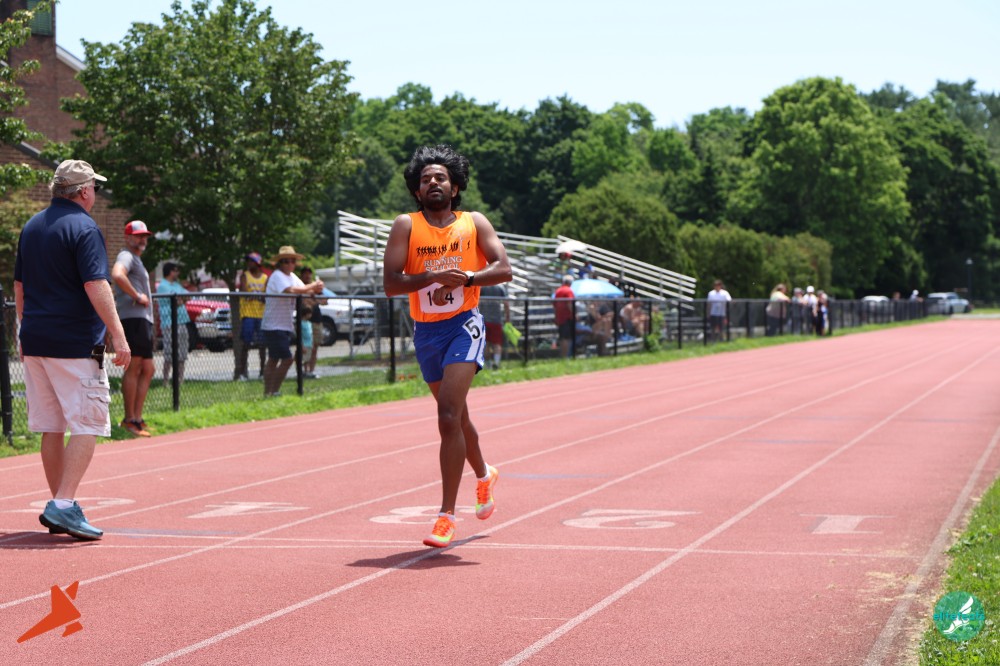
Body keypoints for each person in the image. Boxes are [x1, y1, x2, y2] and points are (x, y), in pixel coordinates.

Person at [383, 144, 512, 548]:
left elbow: (504, 269)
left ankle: (445, 516)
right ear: (417, 191)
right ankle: (484, 474)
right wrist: (434, 276)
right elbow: (391, 284)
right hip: (427, 332)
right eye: (425, 180)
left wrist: (468, 278)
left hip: (464, 325)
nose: (433, 183)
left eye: (440, 177)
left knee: (447, 415)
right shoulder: (406, 225)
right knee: (458, 419)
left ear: (454, 187)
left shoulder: (474, 222)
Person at [14, 159, 132, 540]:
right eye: (94, 187)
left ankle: (59, 505)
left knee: (51, 426)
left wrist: (23, 331)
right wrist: (118, 334)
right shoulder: (84, 227)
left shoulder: (32, 227)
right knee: (89, 422)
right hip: (74, 342)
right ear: (83, 191)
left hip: (35, 340)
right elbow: (96, 284)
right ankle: (63, 504)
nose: (95, 193)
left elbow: (19, 287)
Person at [260, 246, 324, 397]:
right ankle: (272, 391)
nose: (290, 264)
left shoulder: (292, 277)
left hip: (284, 325)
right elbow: (291, 290)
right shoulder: (277, 276)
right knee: (287, 359)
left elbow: (305, 290)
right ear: (280, 263)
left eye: (292, 261)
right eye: (286, 261)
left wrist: (317, 288)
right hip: (273, 325)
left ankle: (270, 392)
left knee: (274, 359)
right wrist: (312, 286)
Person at [112, 220, 156, 437]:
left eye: (144, 236)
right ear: (128, 237)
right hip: (133, 319)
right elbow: (117, 275)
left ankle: (137, 418)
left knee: (148, 369)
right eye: (138, 236)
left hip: (142, 320)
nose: (142, 239)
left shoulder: (136, 258)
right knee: (135, 367)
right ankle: (129, 419)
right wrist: (137, 296)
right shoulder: (126, 256)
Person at [234, 252, 267, 380]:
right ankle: (243, 373)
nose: (249, 263)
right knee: (246, 343)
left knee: (262, 344)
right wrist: (258, 296)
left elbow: (266, 297)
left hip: (261, 314)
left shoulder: (265, 278)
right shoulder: (245, 275)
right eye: (248, 261)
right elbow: (244, 293)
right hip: (248, 314)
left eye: (252, 261)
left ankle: (262, 372)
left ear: (258, 263)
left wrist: (254, 295)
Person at [156, 261, 190, 385]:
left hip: (182, 321)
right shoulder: (163, 286)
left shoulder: (176, 285)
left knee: (182, 353)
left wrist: (181, 300)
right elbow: (176, 301)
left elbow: (187, 297)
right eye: (176, 270)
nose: (178, 273)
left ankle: (180, 380)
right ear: (170, 272)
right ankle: (165, 381)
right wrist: (180, 300)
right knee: (169, 354)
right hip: (169, 323)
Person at [298, 266, 327, 378]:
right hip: (304, 322)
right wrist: (314, 300)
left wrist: (314, 299)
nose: (307, 275)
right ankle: (302, 371)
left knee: (315, 347)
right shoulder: (300, 287)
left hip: (317, 320)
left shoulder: (316, 288)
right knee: (304, 348)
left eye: (309, 273)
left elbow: (324, 301)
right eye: (305, 273)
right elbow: (305, 301)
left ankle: (311, 371)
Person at [479, 283, 509, 369]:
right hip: (496, 320)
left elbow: (476, 302)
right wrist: (507, 319)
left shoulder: (482, 286)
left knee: (486, 344)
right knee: (497, 343)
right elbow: (506, 304)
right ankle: (496, 363)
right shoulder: (500, 287)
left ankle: (488, 365)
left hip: (484, 319)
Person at [554, 274, 576, 358]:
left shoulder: (558, 290)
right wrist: (574, 314)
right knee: (566, 338)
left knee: (562, 337)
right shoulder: (568, 290)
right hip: (567, 317)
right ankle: (565, 356)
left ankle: (563, 356)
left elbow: (555, 305)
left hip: (560, 317)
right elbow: (569, 304)